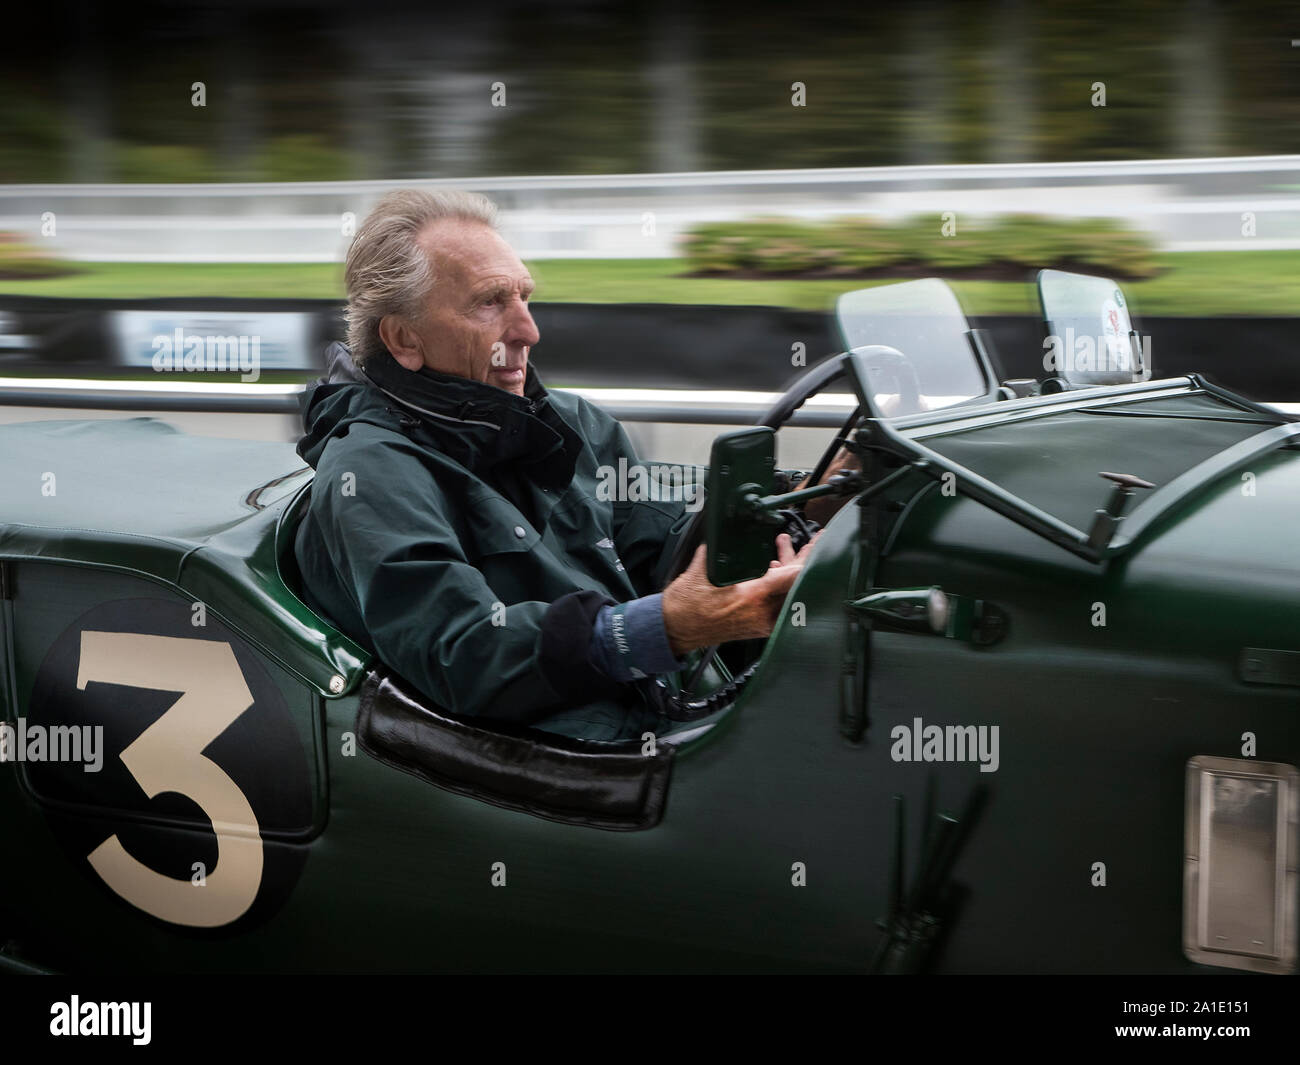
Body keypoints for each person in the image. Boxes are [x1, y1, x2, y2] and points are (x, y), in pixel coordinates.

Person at [293, 188, 816, 742]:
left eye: (524, 297)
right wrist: (661, 626)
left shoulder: (571, 422)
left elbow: (656, 541)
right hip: (551, 763)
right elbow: (463, 654)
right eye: (489, 303)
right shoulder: (371, 471)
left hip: (661, 713)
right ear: (403, 339)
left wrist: (808, 500)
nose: (527, 331)